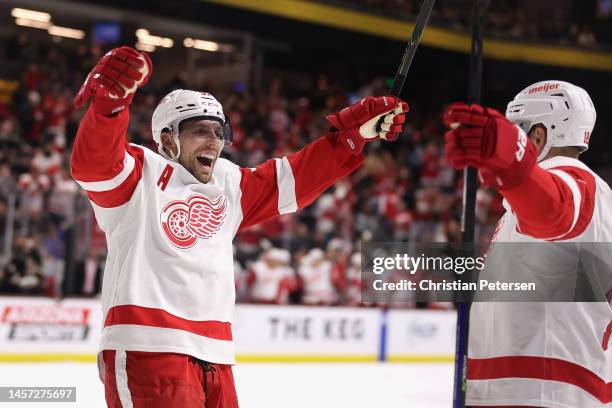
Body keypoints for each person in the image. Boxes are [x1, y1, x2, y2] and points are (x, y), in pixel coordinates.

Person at [70, 46, 408, 408]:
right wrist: (110, 108)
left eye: (218, 132)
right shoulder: (140, 173)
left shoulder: (228, 182)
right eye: (200, 131)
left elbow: (293, 178)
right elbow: (94, 165)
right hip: (148, 348)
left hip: (215, 354)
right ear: (168, 139)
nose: (214, 142)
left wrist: (351, 138)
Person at [443, 80, 611, 408]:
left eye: (517, 133)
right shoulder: (550, 195)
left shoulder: (577, 182)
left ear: (538, 136)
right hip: (533, 388)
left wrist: (510, 161)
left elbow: (555, 212)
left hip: (541, 391)